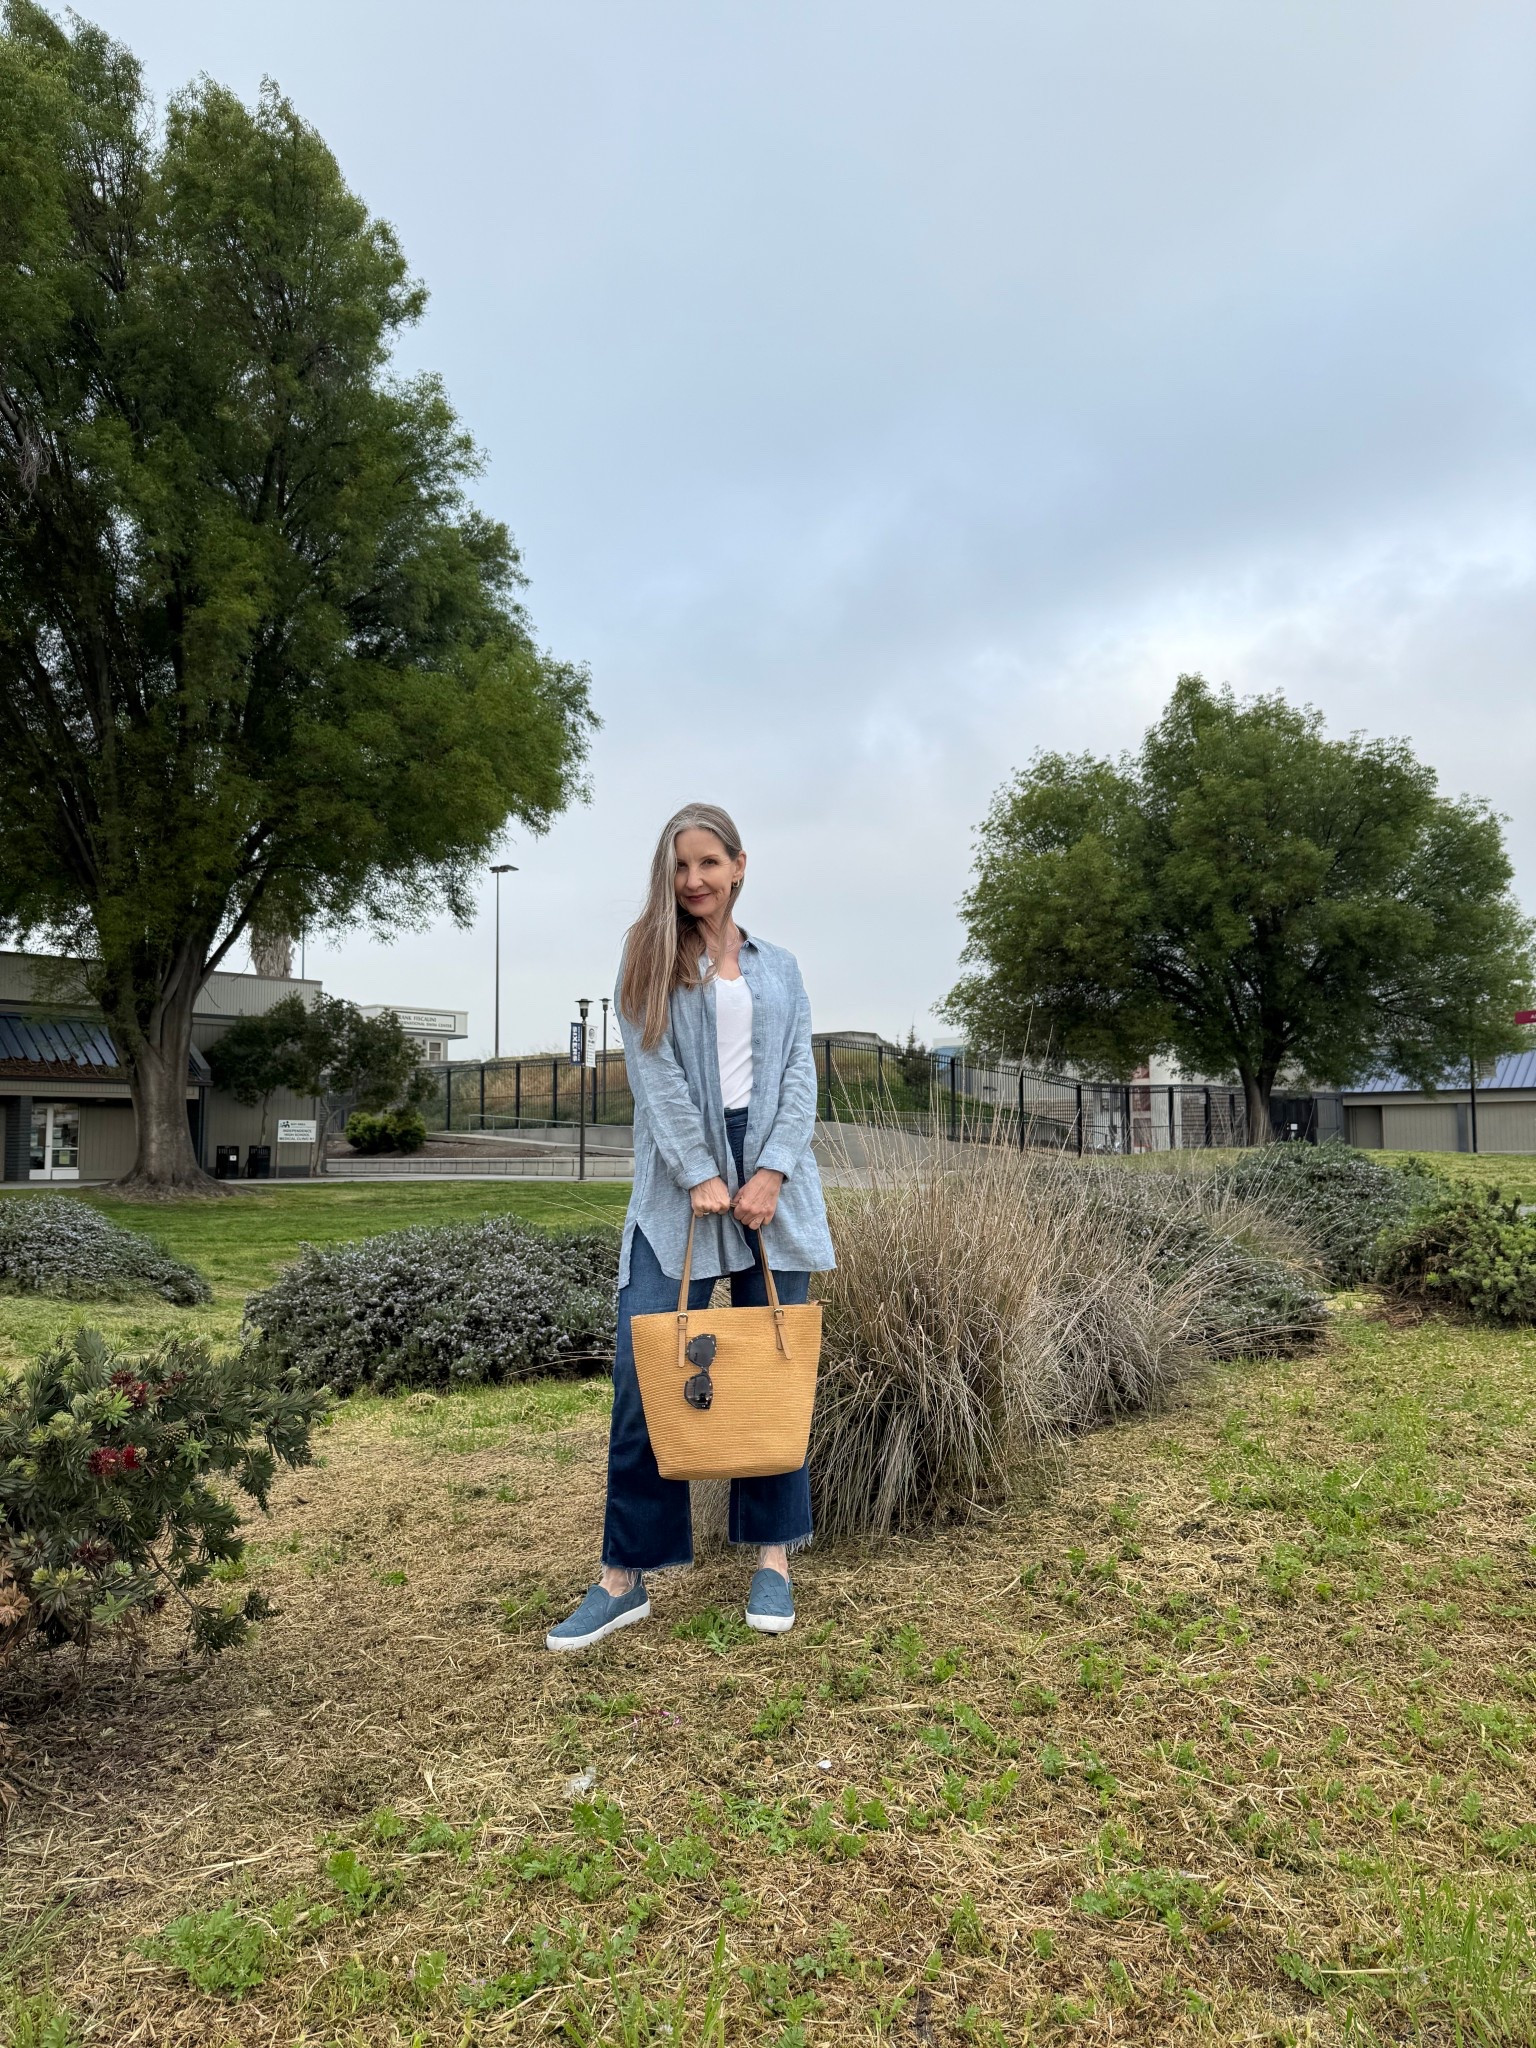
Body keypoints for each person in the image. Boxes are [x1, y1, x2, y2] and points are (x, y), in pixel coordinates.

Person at [546, 803, 835, 1650]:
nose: (695, 880)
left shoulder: (779, 967)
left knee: (770, 1368)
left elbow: (797, 1076)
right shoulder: (649, 961)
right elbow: (656, 1079)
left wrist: (771, 1170)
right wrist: (703, 1174)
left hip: (772, 1184)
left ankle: (774, 1560)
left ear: (740, 865)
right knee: (646, 1368)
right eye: (680, 866)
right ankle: (623, 1577)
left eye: (710, 863)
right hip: (682, 1186)